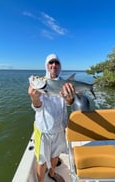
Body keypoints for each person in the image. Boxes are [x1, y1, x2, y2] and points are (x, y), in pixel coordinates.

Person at [28, 53, 75, 182]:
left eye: (56, 62)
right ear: (47, 66)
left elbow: (69, 103)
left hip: (60, 129)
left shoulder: (65, 83)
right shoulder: (42, 83)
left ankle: (52, 174)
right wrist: (34, 98)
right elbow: (38, 107)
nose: (54, 65)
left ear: (60, 66)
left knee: (55, 156)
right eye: (51, 62)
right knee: (42, 161)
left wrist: (70, 98)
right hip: (44, 130)